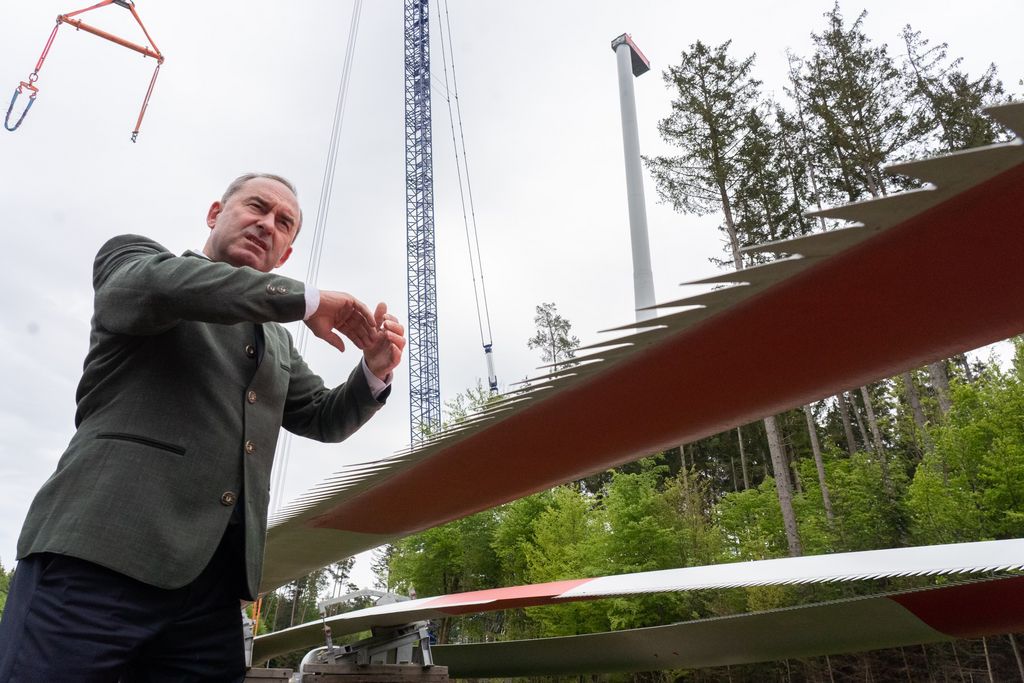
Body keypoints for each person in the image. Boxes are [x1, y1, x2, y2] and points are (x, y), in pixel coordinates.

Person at [0, 173, 406, 682]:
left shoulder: (276, 344)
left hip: (210, 592)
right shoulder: (138, 262)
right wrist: (306, 299)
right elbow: (161, 288)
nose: (267, 224)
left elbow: (324, 416)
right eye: (256, 207)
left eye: (283, 224)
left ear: (284, 255)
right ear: (215, 213)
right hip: (97, 558)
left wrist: (373, 370)